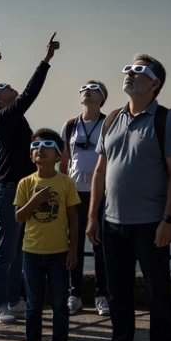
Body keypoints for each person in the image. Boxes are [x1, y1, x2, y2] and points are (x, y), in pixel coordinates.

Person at [87, 54, 171, 341]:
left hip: (150, 224)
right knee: (118, 294)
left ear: (155, 83)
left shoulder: (165, 120)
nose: (130, 74)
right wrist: (92, 216)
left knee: (159, 294)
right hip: (113, 222)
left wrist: (169, 219)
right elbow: (100, 170)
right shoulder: (112, 118)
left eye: (139, 70)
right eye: (127, 68)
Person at [0, 34, 60, 324]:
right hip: (8, 189)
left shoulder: (14, 119)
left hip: (20, 188)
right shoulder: (3, 117)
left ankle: (14, 299)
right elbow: (30, 93)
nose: (9, 87)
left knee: (17, 248)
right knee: (6, 249)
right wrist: (46, 61)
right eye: (2, 87)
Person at [15, 129, 81, 341]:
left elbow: (73, 217)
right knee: (33, 304)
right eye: (35, 146)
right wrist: (34, 201)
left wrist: (73, 250)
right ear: (31, 155)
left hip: (59, 253)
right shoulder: (26, 183)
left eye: (47, 145)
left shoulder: (65, 182)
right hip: (31, 253)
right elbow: (19, 217)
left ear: (58, 155)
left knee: (60, 304)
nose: (40, 149)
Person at [59, 80, 110, 316]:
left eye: (93, 89)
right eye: (83, 88)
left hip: (102, 192)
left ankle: (102, 295)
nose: (87, 91)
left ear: (102, 97)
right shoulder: (70, 126)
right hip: (75, 192)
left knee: (101, 246)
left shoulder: (109, 124)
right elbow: (64, 160)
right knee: (74, 245)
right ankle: (74, 293)